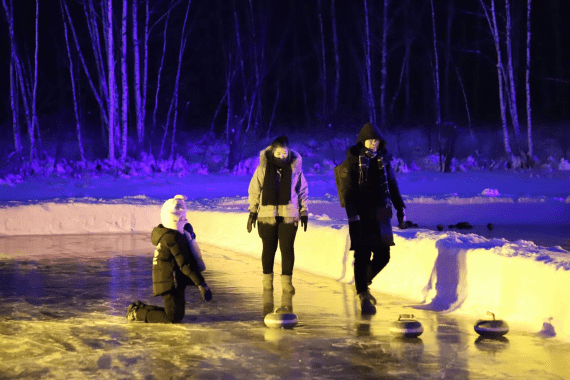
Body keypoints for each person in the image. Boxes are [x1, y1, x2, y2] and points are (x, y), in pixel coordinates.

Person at [335, 123, 406, 314]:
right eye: (370, 140)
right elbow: (348, 191)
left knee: (384, 255)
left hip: (382, 212)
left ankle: (362, 282)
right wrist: (353, 216)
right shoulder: (353, 161)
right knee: (362, 254)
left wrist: (400, 208)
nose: (373, 143)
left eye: (376, 140)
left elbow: (392, 185)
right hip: (361, 213)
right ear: (362, 141)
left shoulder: (384, 161)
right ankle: (363, 293)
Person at [126, 195, 212, 323]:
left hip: (175, 278)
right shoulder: (171, 238)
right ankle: (137, 313)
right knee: (173, 317)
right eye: (181, 218)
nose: (185, 221)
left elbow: (189, 257)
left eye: (185, 217)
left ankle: (140, 308)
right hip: (169, 280)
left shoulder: (177, 235)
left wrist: (190, 237)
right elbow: (185, 264)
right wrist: (201, 284)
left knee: (176, 315)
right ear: (173, 219)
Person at [247, 136, 309, 294]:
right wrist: (252, 212)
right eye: (279, 153)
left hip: (289, 214)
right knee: (268, 249)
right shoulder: (262, 169)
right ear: (273, 152)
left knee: (287, 249)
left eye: (285, 152)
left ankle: (287, 282)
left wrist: (304, 211)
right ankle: (267, 281)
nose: (282, 156)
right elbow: (254, 190)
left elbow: (302, 191)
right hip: (267, 215)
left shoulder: (295, 169)